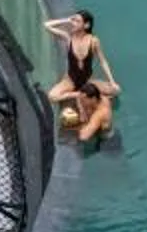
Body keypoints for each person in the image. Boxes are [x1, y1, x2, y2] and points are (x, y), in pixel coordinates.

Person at [44, 8, 119, 146]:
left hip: (87, 81)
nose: (73, 23)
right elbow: (47, 25)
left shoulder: (93, 41)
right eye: (74, 20)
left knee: (116, 90)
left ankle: (85, 95)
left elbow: (103, 61)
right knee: (52, 96)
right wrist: (66, 19)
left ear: (87, 25)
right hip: (71, 80)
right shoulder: (68, 38)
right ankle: (77, 94)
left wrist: (112, 81)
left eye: (77, 21)